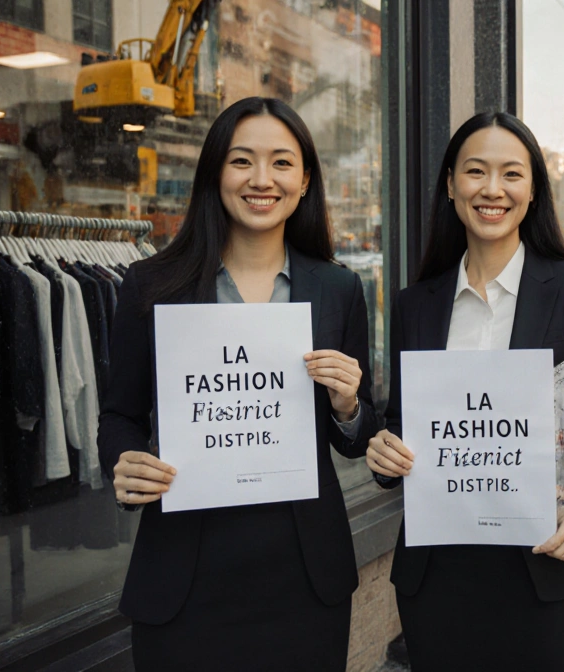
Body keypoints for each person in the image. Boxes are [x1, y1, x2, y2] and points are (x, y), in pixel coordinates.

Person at [97, 97, 380, 670]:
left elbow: (356, 438)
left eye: (281, 162)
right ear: (214, 175)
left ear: (304, 180)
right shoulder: (152, 285)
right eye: (241, 160)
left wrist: (349, 405)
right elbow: (119, 415)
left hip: (304, 575)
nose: (261, 179)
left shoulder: (337, 288)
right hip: (185, 573)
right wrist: (124, 461)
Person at [364, 111, 564, 672]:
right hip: (440, 582)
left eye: (511, 174)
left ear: (533, 189)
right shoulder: (416, 304)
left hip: (551, 574)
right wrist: (383, 452)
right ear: (449, 184)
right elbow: (399, 427)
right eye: (475, 172)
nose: (493, 190)